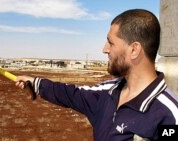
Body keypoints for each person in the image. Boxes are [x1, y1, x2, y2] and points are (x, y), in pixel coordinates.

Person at [15, 9, 178, 141]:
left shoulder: (170, 115)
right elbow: (71, 94)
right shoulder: (107, 92)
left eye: (111, 42)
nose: (104, 49)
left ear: (134, 50)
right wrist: (35, 82)